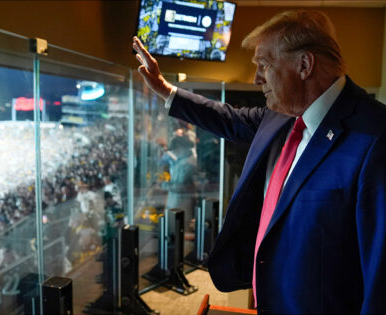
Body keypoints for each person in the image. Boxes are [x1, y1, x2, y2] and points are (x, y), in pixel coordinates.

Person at [133, 10, 386, 314]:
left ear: (304, 65)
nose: (256, 78)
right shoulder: (279, 113)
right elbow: (228, 118)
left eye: (264, 65)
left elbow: (380, 270)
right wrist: (165, 89)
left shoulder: (377, 136)